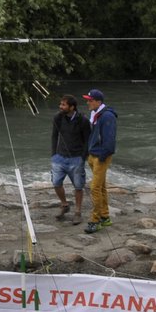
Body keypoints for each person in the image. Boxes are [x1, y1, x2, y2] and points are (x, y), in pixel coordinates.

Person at [82, 88, 117, 233]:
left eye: (90, 100)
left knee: (94, 188)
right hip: (93, 155)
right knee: (101, 187)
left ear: (98, 101)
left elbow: (109, 140)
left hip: (101, 157)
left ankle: (95, 220)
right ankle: (105, 216)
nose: (87, 102)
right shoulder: (94, 114)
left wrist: (102, 156)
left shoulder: (107, 116)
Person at [50, 95, 89, 224]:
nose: (60, 107)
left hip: (76, 158)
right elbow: (54, 136)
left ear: (72, 107)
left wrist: (83, 157)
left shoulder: (82, 120)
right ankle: (64, 205)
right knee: (56, 183)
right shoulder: (58, 117)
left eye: (64, 105)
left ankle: (77, 212)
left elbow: (87, 140)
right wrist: (53, 154)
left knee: (78, 186)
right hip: (59, 157)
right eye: (60, 104)